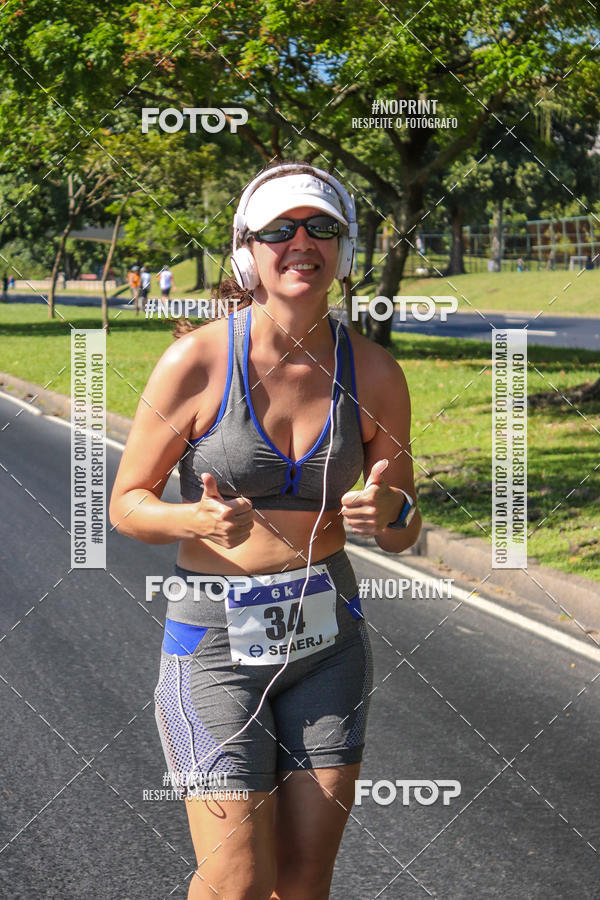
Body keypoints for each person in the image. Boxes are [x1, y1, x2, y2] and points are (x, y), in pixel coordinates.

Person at [109, 161, 421, 899]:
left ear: (344, 252)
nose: (302, 242)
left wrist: (392, 514)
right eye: (280, 229)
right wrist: (195, 518)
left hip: (327, 644)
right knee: (237, 882)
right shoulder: (197, 360)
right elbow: (126, 502)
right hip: (212, 645)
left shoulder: (374, 373)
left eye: (322, 228)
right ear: (249, 250)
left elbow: (406, 521)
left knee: (305, 881)